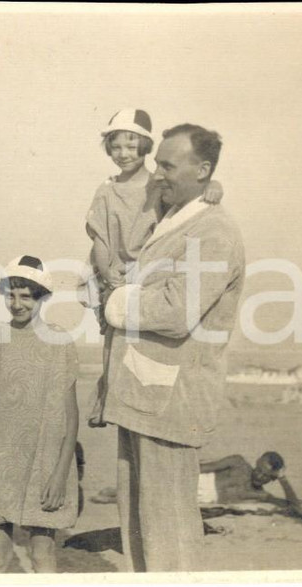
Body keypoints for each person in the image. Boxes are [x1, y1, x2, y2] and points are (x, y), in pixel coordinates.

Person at [100, 123, 245, 572]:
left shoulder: (214, 232)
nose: (157, 173)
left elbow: (177, 310)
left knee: (169, 533)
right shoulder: (173, 218)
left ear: (202, 170)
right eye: (157, 163)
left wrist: (115, 302)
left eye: (168, 165)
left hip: (171, 402)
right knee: (139, 528)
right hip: (141, 395)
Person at [85, 109, 222, 428]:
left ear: (146, 147)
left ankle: (139, 398)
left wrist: (214, 184)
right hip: (113, 268)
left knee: (144, 338)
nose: (123, 154)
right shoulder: (105, 190)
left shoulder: (157, 183)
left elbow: (186, 201)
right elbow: (100, 237)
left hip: (148, 268)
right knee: (113, 334)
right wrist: (107, 273)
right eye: (116, 147)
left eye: (131, 146)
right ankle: (106, 398)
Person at [0, 255, 80, 573]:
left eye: (26, 296)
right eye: (11, 295)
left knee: (42, 553)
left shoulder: (59, 342)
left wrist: (60, 475)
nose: (16, 304)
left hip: (44, 464)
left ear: (42, 297)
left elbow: (71, 418)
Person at [196, 452, 302, 518]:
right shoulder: (238, 463)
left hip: (197, 500)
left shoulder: (259, 494)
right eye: (259, 470)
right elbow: (204, 467)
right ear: (257, 463)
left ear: (273, 478)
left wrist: (283, 479)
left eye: (266, 476)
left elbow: (293, 506)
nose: (259, 476)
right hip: (195, 480)